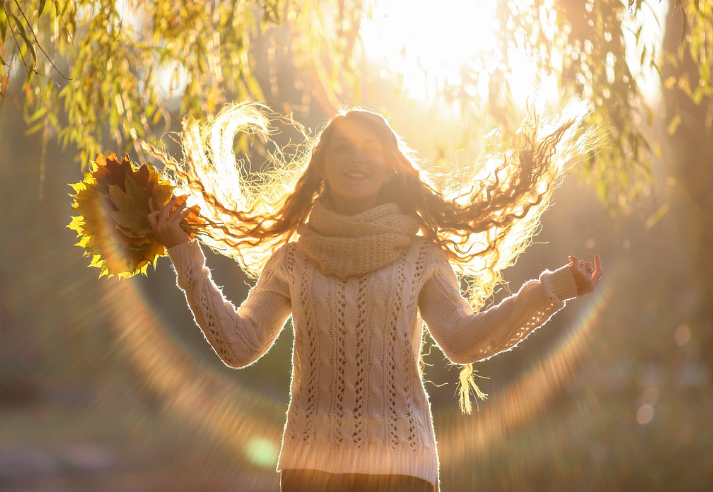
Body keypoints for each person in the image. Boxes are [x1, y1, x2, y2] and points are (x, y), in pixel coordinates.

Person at [146, 104, 603, 492]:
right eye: (342, 147)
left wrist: (552, 289)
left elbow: (463, 342)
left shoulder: (422, 256)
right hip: (311, 471)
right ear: (322, 164)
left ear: (389, 166)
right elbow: (239, 346)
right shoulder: (292, 260)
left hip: (402, 471)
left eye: (370, 149)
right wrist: (185, 255)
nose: (356, 159)